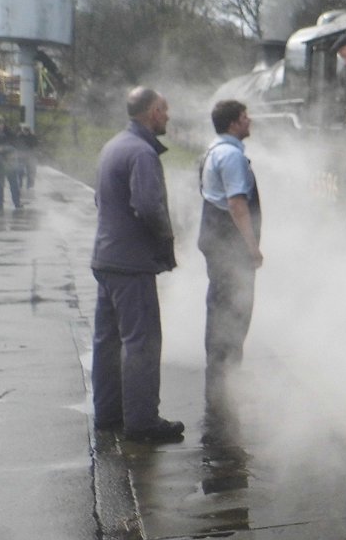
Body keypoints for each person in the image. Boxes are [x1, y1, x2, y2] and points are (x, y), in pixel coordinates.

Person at [90, 86, 183, 443]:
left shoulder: (113, 146)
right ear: (152, 111)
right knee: (141, 342)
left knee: (108, 340)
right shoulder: (143, 153)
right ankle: (143, 422)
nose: (168, 116)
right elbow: (149, 207)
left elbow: (101, 199)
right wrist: (165, 244)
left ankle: (109, 412)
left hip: (107, 258)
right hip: (131, 263)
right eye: (164, 109)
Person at [197, 99, 262, 405]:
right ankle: (225, 381)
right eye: (245, 117)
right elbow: (237, 205)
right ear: (235, 123)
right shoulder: (231, 156)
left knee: (220, 306)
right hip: (230, 246)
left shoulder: (213, 150)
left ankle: (220, 374)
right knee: (234, 310)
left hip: (215, 239)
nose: (250, 121)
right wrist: (252, 247)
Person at [15, 123, 38, 189]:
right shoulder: (19, 136)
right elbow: (16, 145)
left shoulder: (33, 136)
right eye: (24, 130)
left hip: (30, 155)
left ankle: (29, 185)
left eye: (27, 130)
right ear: (22, 130)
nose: (26, 131)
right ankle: (20, 183)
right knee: (20, 170)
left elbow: (35, 145)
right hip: (21, 155)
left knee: (30, 171)